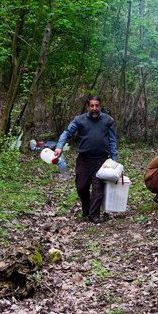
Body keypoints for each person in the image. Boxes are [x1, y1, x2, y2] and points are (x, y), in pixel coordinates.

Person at [54, 95, 118, 224]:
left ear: (100, 106)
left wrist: (114, 160)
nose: (94, 108)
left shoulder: (108, 120)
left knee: (98, 189)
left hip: (101, 160)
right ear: (88, 107)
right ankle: (87, 208)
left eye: (97, 106)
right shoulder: (79, 120)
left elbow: (112, 141)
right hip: (84, 160)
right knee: (82, 188)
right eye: (92, 106)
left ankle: (94, 215)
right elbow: (67, 132)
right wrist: (59, 147)